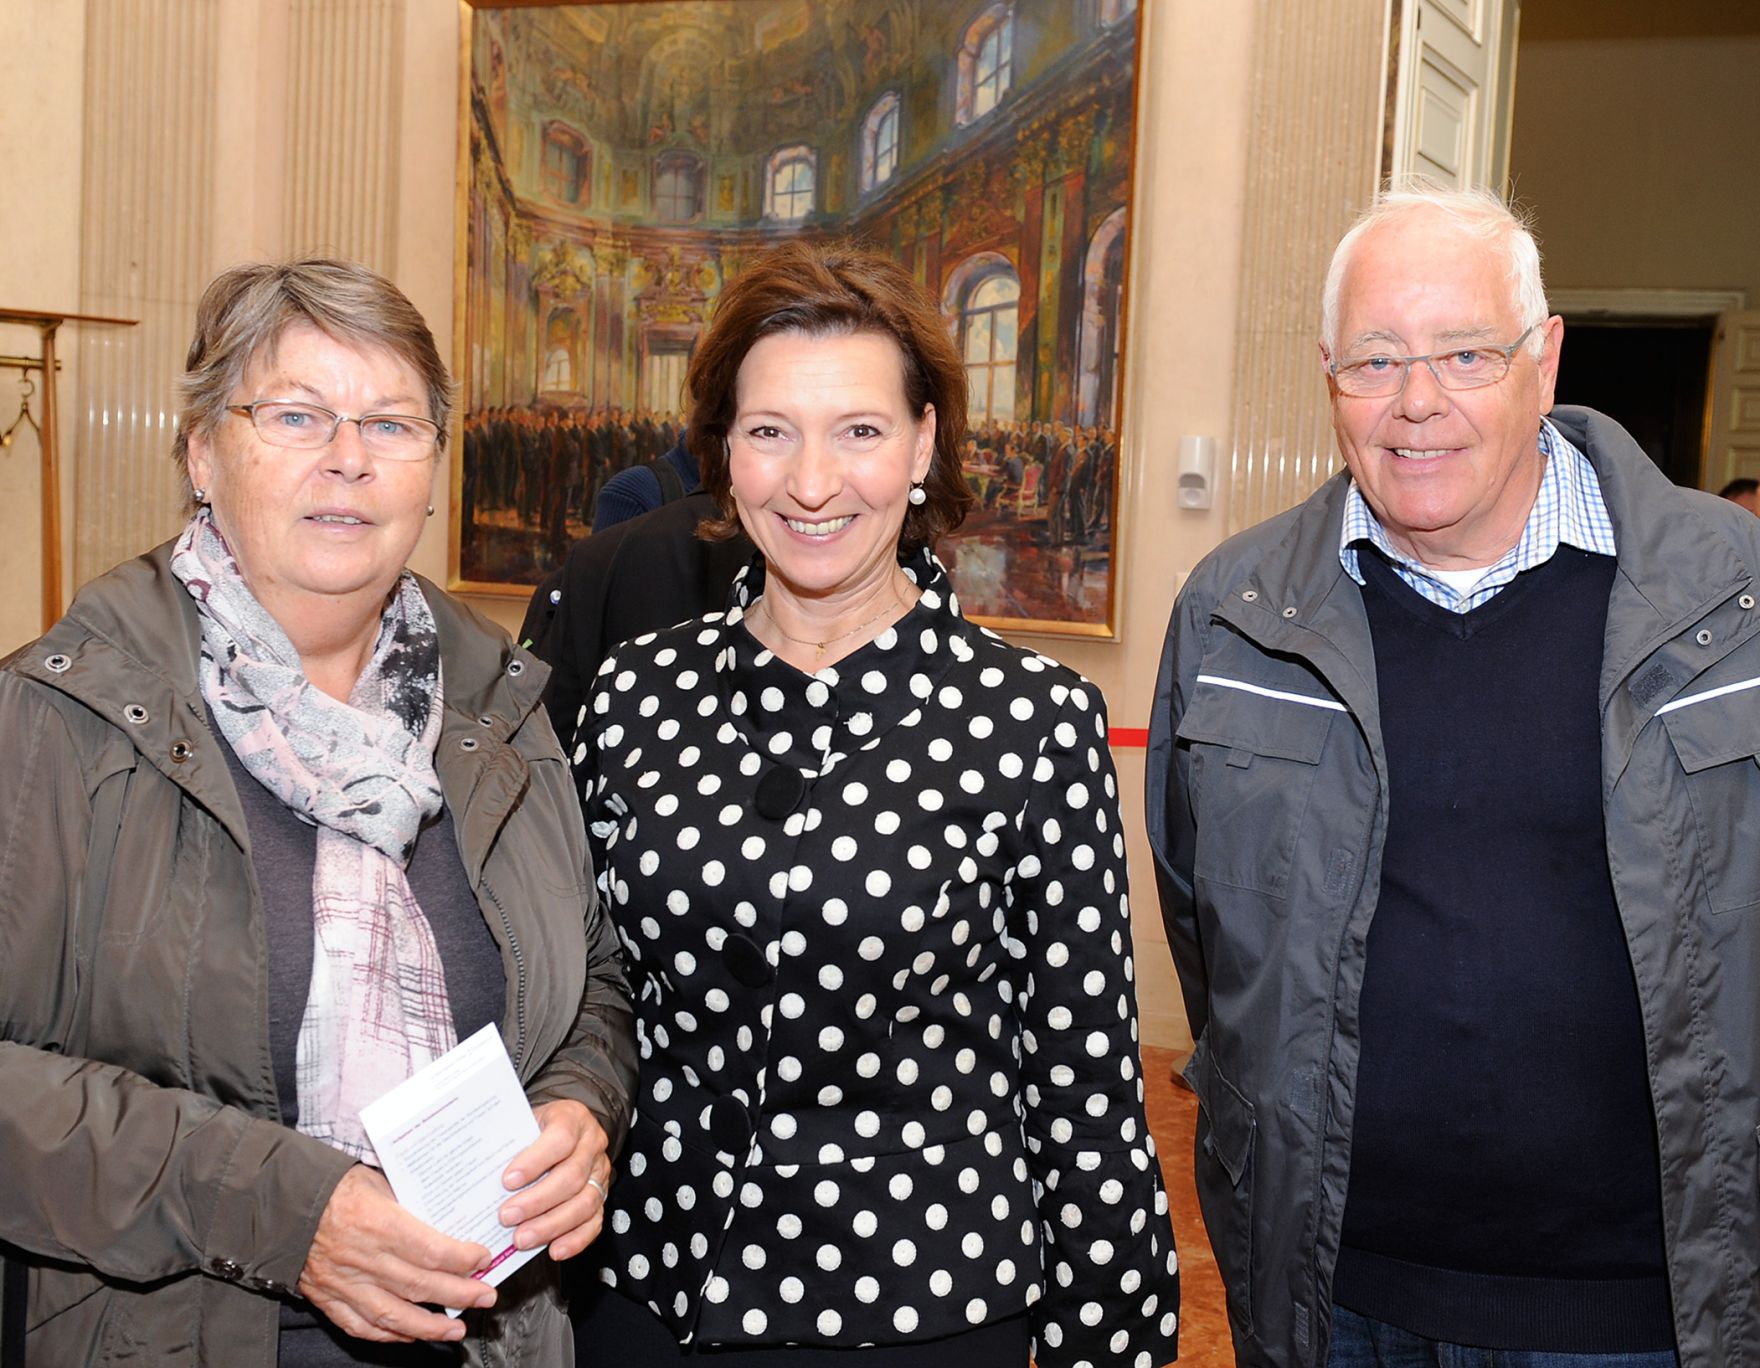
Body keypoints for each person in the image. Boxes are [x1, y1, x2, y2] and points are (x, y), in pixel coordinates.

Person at [1146, 184, 1760, 1368]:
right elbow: (1205, 933)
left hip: (1645, 1316)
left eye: (1464, 353)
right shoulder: (1234, 613)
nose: (1415, 401)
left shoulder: (1732, 596)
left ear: (1543, 359)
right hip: (1333, 1301)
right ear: (1327, 376)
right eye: (1373, 360)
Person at [0, 258, 636, 1366]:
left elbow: (594, 985)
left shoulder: (503, 709)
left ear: (431, 470)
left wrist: (581, 1106)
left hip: (494, 1336)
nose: (349, 457)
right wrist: (281, 1211)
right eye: (296, 415)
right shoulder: (58, 716)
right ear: (202, 453)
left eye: (391, 423)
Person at [569, 242, 1177, 1367]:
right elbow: (581, 995)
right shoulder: (636, 694)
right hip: (648, 1294)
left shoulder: (1032, 721)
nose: (811, 483)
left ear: (922, 444)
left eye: (858, 430)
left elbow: (1084, 1083)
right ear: (722, 449)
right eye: (769, 431)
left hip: (917, 1307)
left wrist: (1108, 1343)